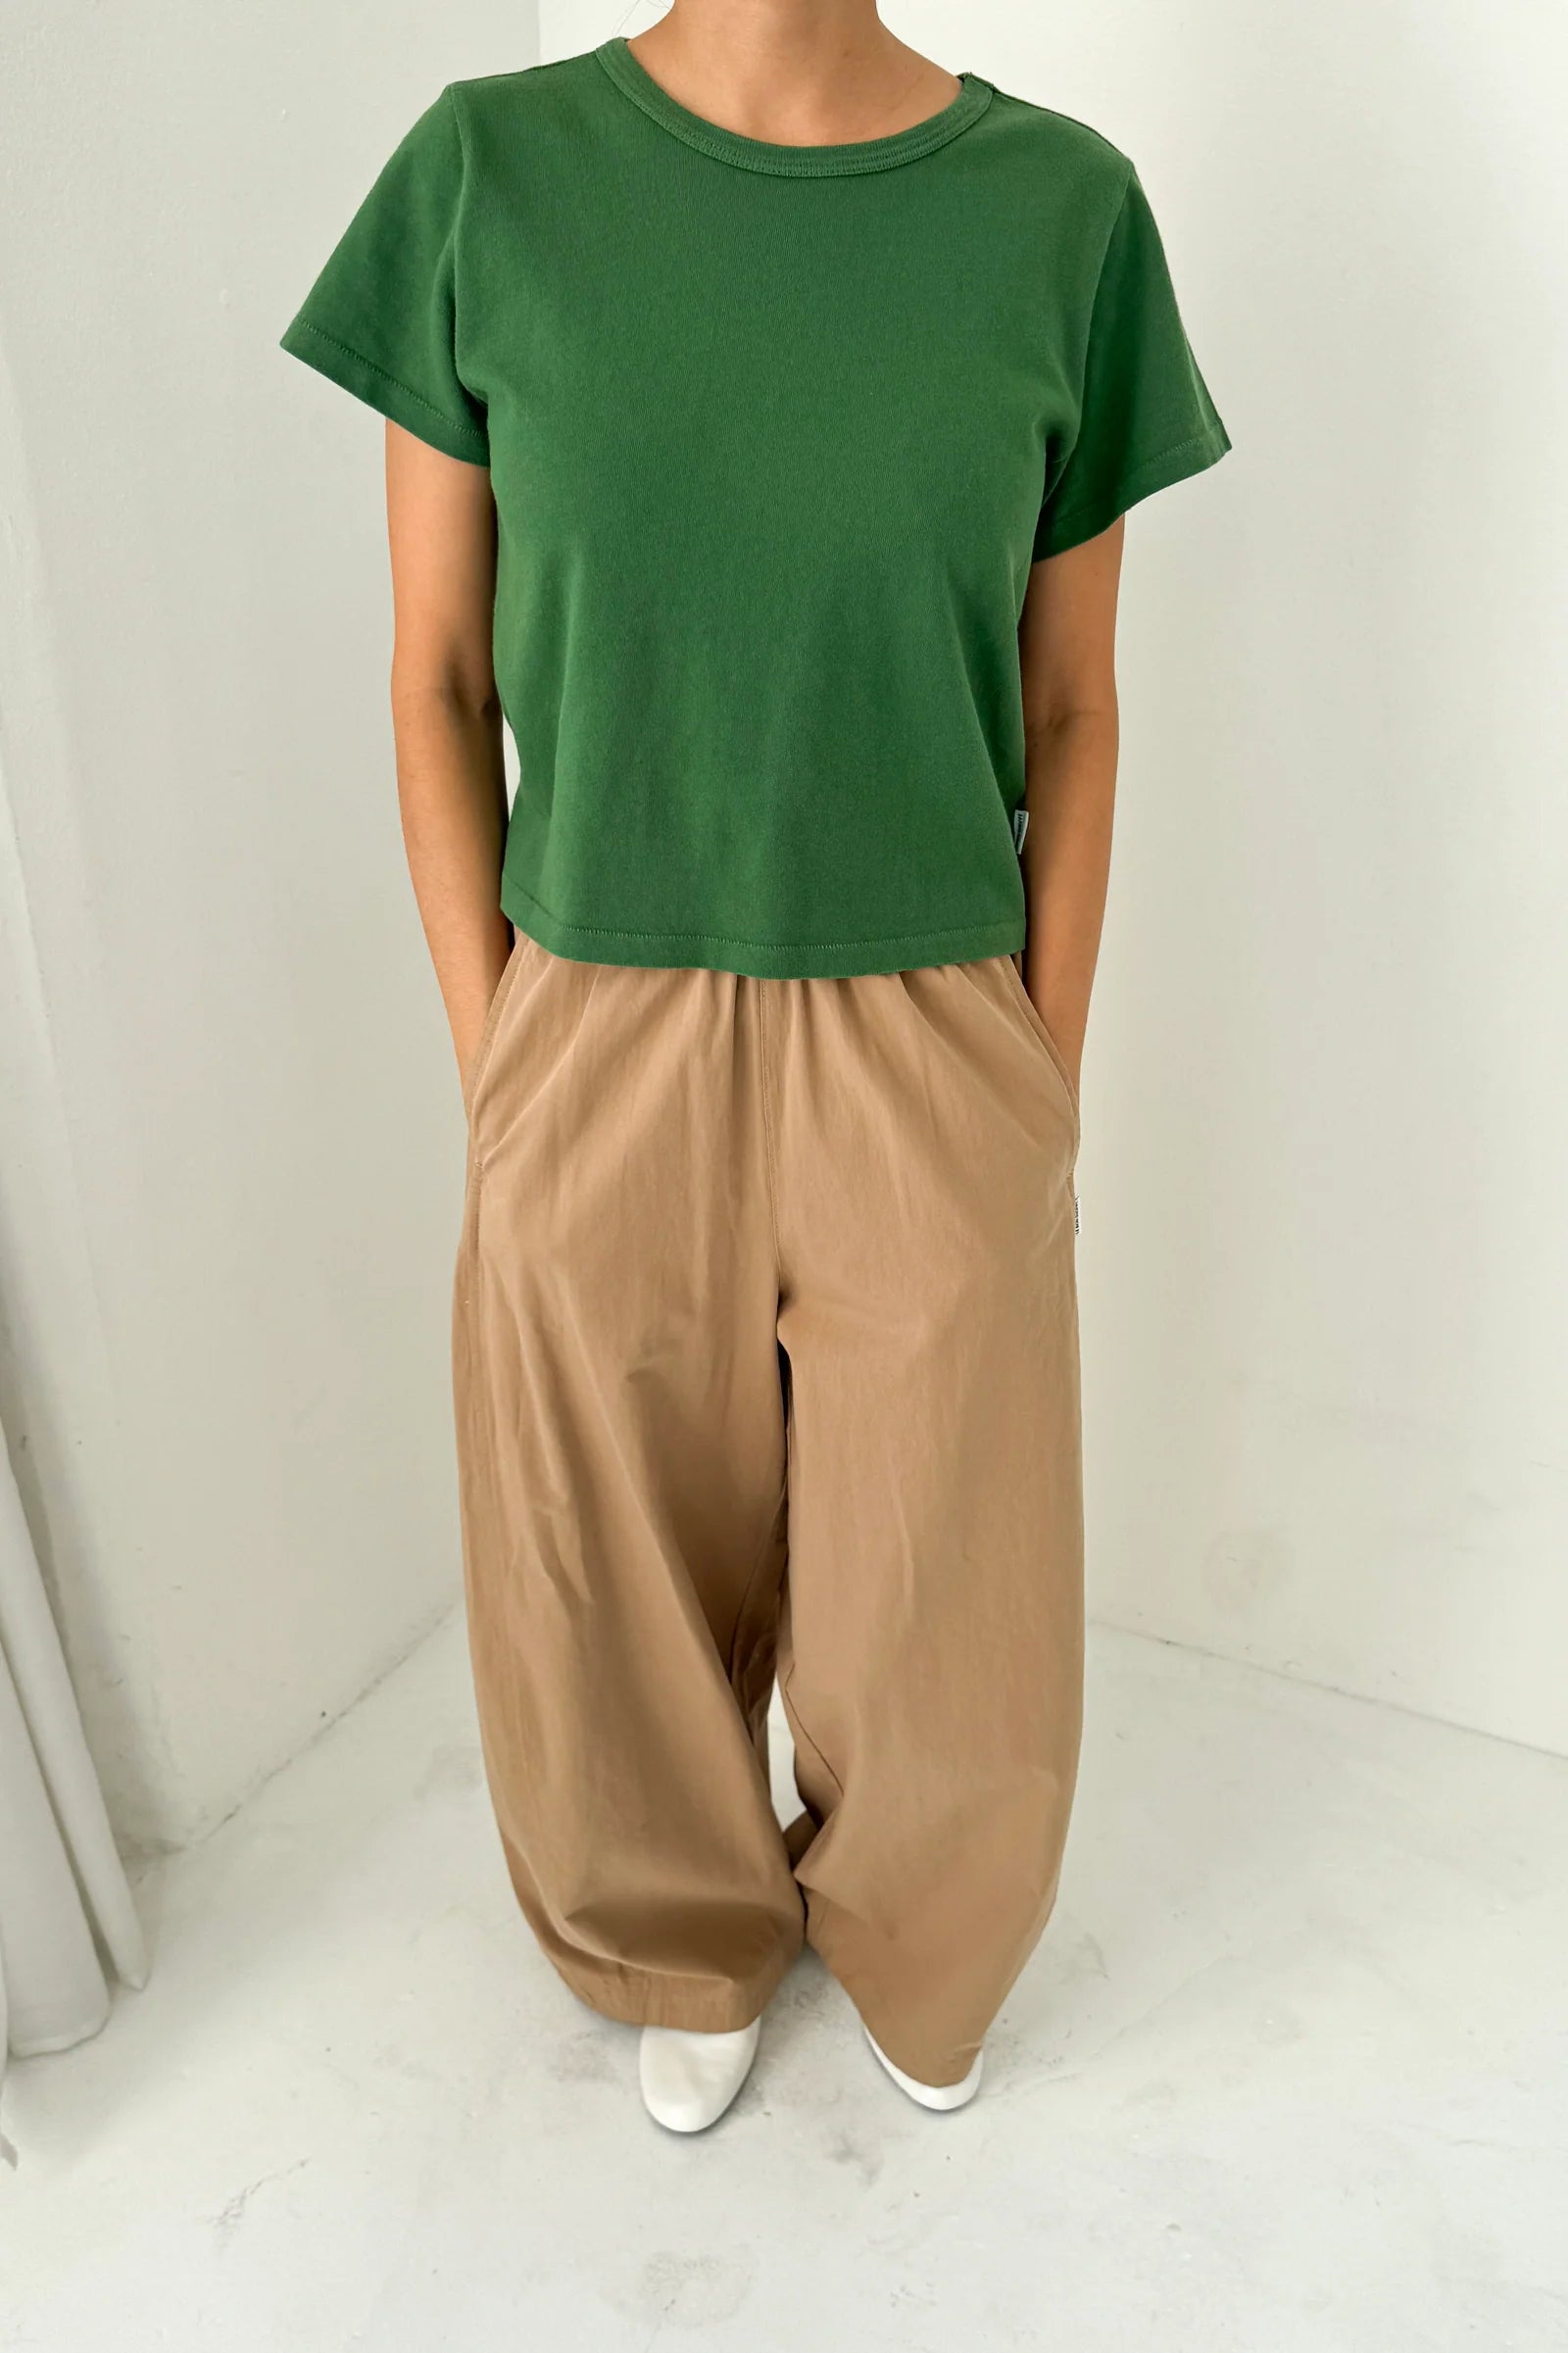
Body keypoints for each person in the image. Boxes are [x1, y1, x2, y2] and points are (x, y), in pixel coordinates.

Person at [280, 0, 1229, 2134]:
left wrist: (1039, 1072)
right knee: (598, 1555)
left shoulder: (1059, 214)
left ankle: (926, 1932)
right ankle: (672, 1931)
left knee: (951, 1579)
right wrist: (500, 1056)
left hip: (937, 1011)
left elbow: (1072, 703)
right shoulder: (488, 176)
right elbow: (436, 673)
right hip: (590, 1000)